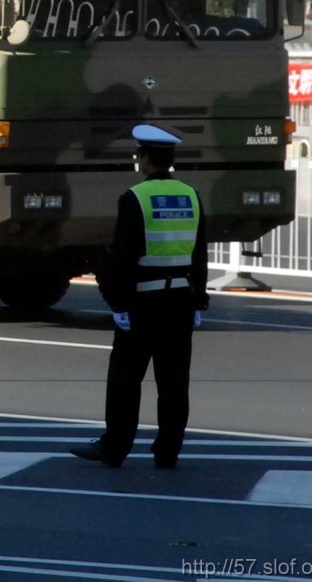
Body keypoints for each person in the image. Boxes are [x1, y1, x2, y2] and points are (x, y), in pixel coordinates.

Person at [72, 124, 208, 469]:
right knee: (174, 383)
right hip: (180, 301)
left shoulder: (134, 198)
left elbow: (124, 258)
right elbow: (200, 254)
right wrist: (198, 299)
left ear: (145, 159)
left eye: (139, 155)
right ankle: (168, 452)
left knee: (125, 379)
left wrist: (118, 304)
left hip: (144, 303)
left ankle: (115, 447)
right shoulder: (191, 196)